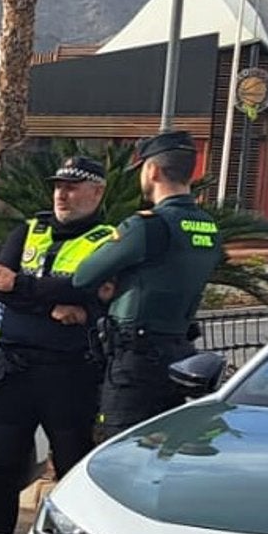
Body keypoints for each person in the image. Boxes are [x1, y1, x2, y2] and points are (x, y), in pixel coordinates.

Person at [0, 156, 117, 534]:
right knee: (0, 464)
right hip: (15, 367)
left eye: (73, 187)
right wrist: (58, 303)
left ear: (97, 192)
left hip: (70, 373)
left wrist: (28, 288)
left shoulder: (108, 240)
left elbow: (91, 290)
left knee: (73, 466)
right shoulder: (28, 231)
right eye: (58, 186)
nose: (62, 194)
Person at [71, 131, 223, 441]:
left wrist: (116, 283)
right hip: (179, 354)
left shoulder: (146, 225)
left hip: (135, 363)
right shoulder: (209, 227)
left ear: (152, 170)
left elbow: (83, 276)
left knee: (120, 446)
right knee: (165, 446)